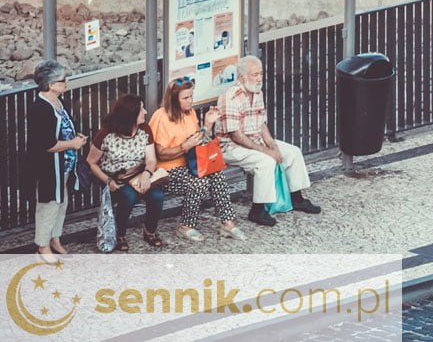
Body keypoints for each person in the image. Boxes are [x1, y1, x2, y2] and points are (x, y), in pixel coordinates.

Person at [217, 55, 321, 226]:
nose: (259, 78)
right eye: (255, 75)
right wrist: (268, 152)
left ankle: (297, 198)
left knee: (293, 152)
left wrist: (273, 146)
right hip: (232, 147)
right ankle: (257, 210)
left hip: (254, 140)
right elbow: (236, 136)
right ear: (242, 77)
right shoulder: (230, 98)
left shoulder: (257, 92)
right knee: (265, 162)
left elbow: (261, 124)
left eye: (261, 74)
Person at [149, 77, 246, 242]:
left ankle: (227, 223)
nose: (190, 101)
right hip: (166, 169)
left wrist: (207, 125)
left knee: (216, 173)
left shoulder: (190, 113)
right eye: (185, 98)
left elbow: (197, 141)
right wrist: (183, 147)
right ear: (173, 99)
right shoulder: (161, 117)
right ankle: (185, 225)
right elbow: (160, 153)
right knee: (199, 182)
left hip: (190, 163)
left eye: (191, 96)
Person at [26, 60, 87, 263]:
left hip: (63, 165)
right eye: (63, 80)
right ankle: (42, 246)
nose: (66, 83)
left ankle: (55, 239)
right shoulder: (40, 109)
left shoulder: (60, 102)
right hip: (48, 169)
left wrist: (74, 138)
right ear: (51, 85)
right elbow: (47, 144)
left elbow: (63, 127)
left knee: (61, 203)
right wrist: (72, 144)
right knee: (49, 205)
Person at [86, 94, 165, 251]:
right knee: (128, 197)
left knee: (157, 196)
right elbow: (91, 162)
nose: (145, 112)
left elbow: (151, 159)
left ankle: (150, 230)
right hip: (118, 178)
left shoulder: (144, 129)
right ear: (130, 115)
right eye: (141, 109)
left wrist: (146, 174)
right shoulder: (106, 134)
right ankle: (120, 233)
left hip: (140, 174)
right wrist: (108, 181)